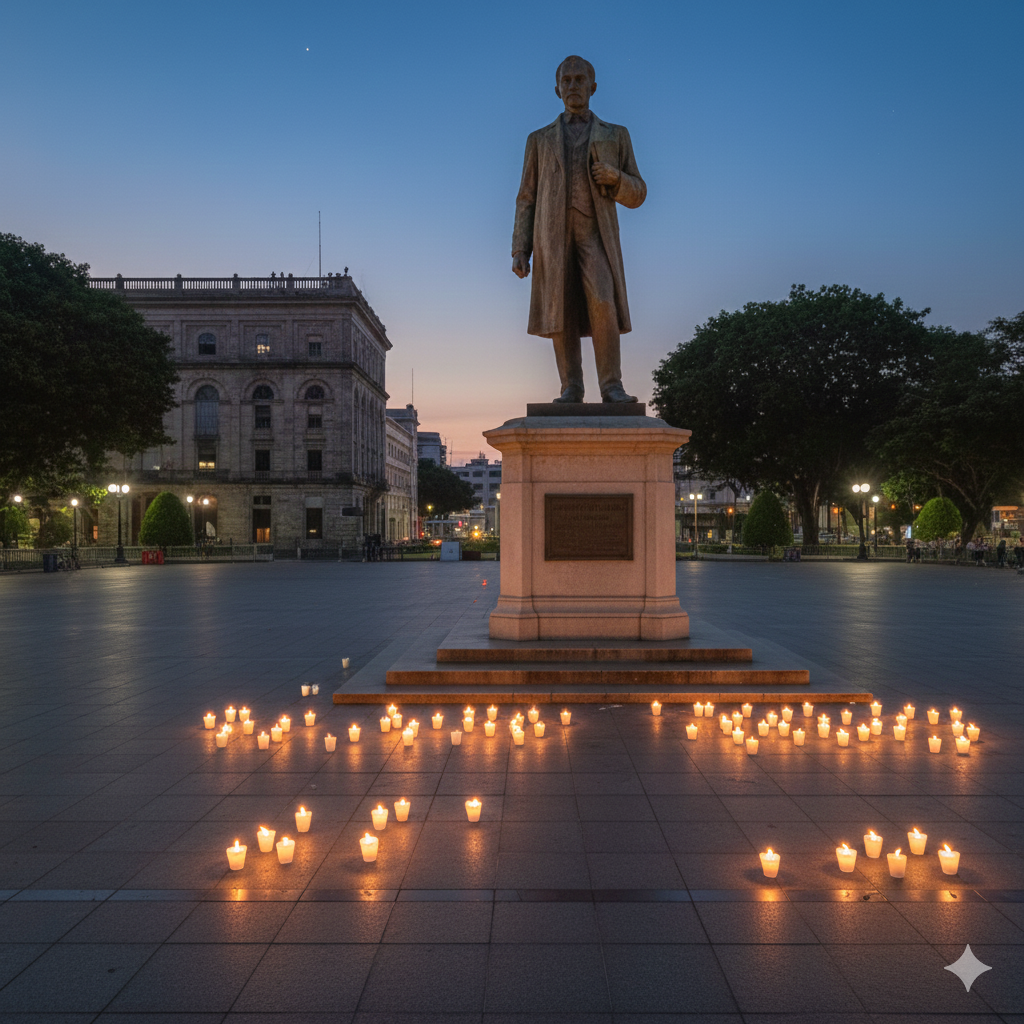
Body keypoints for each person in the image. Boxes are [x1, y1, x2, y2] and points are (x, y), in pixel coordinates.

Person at [512, 55, 646, 404]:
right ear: (557, 89)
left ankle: (611, 385)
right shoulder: (538, 140)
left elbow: (639, 192)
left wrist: (617, 179)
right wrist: (519, 248)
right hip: (550, 237)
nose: (573, 86)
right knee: (562, 306)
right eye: (566, 80)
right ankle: (571, 386)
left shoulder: (615, 135)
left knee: (603, 301)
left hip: (594, 234)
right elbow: (526, 196)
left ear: (593, 86)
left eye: (579, 80)